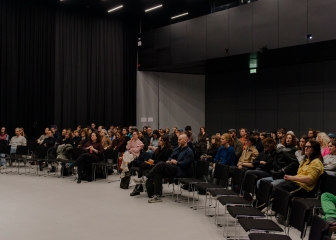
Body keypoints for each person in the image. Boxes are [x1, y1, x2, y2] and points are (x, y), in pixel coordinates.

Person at [145, 134, 194, 203]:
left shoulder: (189, 151)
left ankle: (147, 177)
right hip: (173, 168)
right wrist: (170, 160)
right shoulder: (177, 149)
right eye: (178, 139)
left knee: (161, 163)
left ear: (185, 140)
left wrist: (176, 162)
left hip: (181, 171)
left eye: (180, 140)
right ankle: (158, 196)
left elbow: (185, 164)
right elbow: (170, 157)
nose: (178, 141)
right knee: (158, 174)